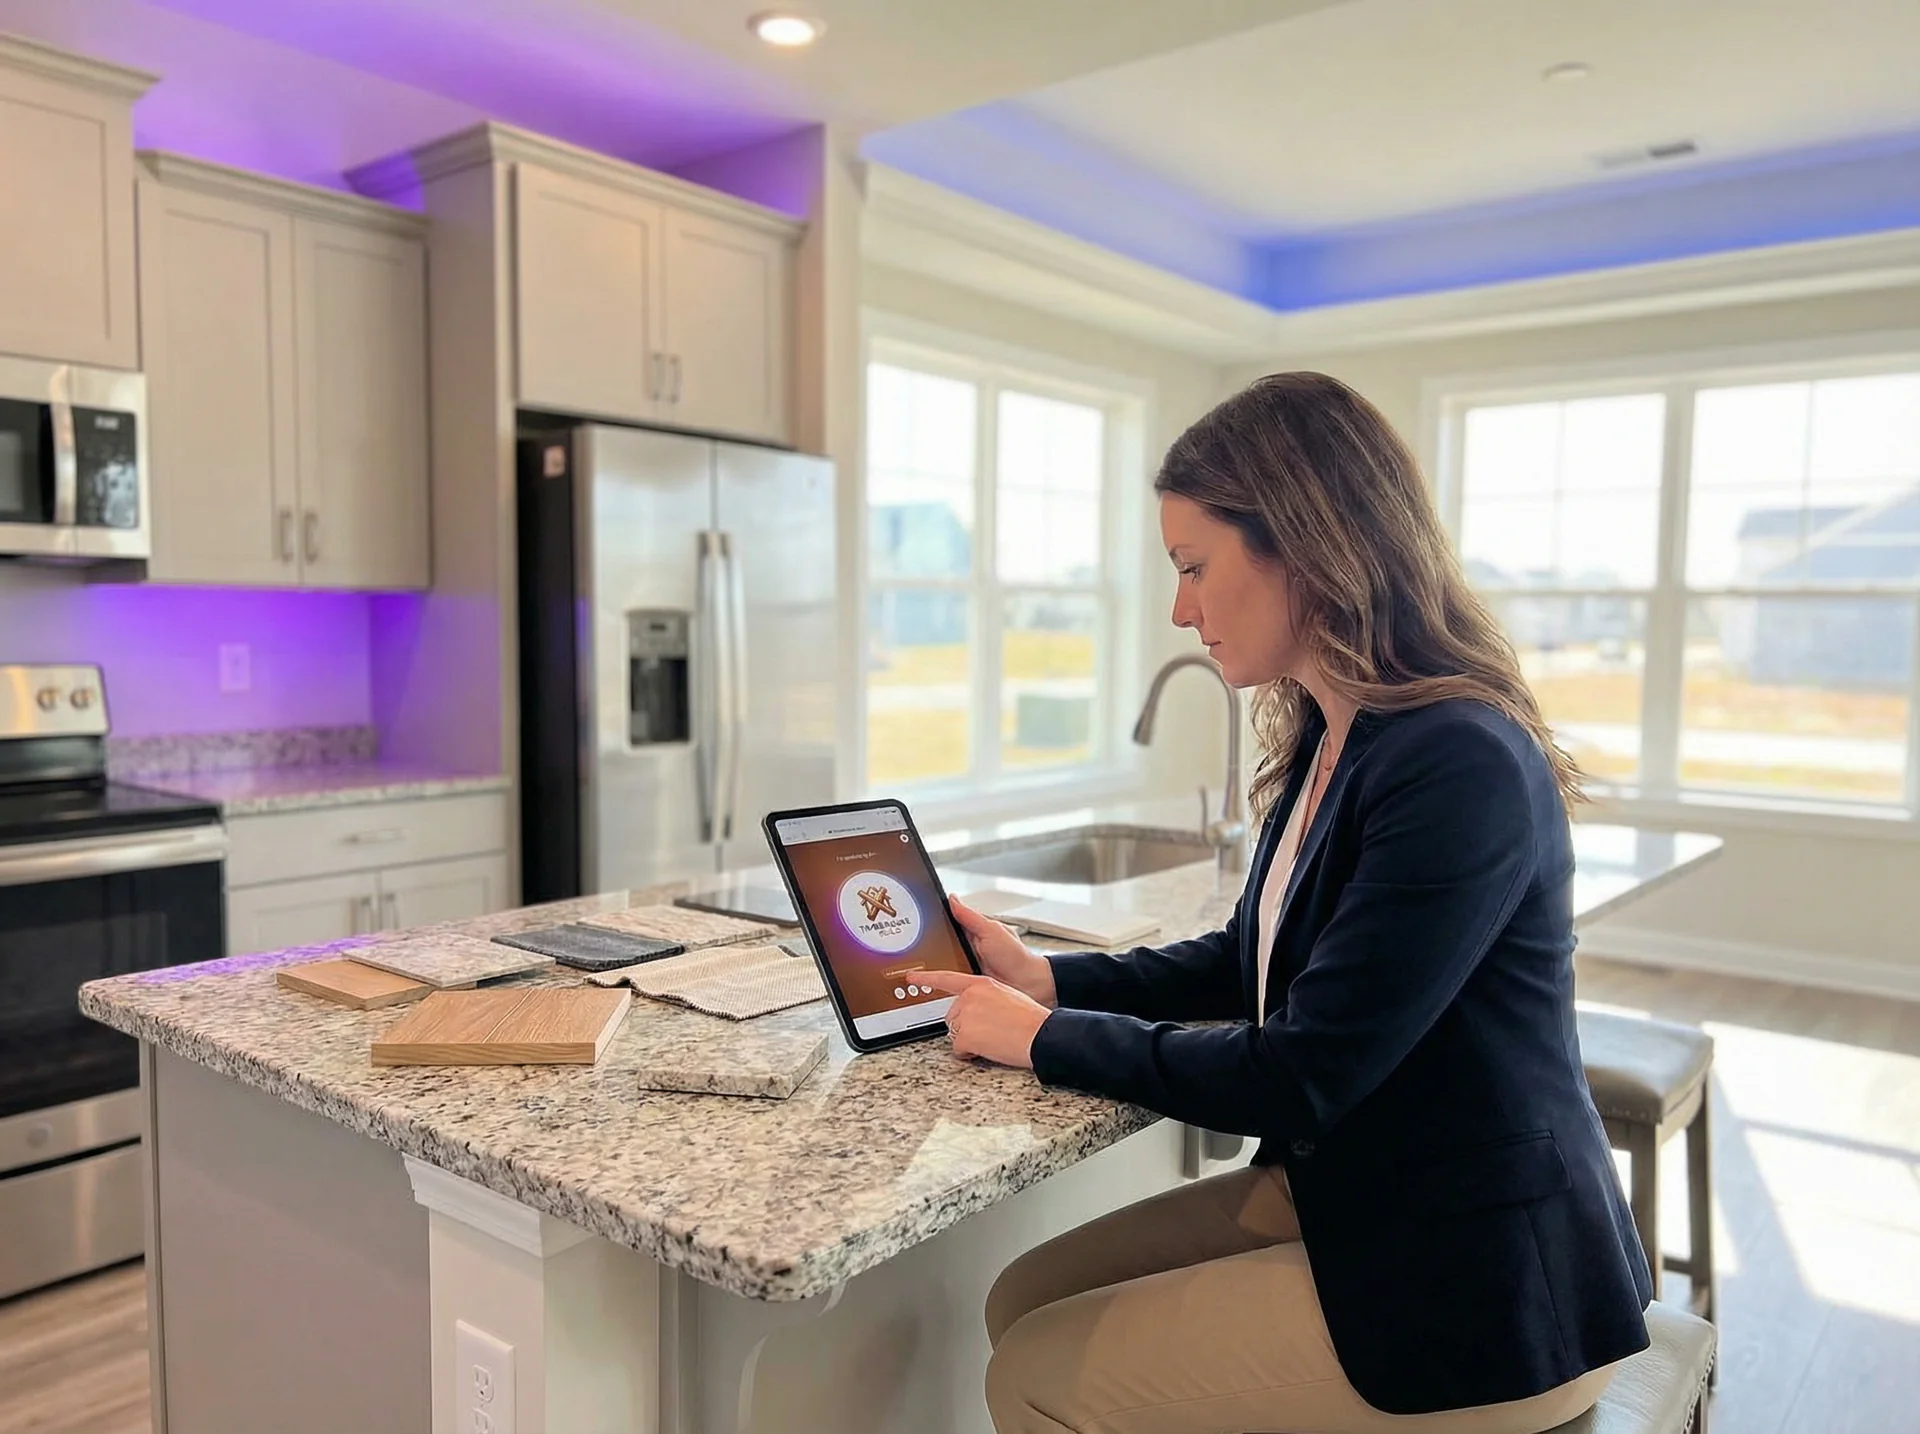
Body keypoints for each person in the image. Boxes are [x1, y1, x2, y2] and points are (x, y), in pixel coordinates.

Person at [917, 373, 1653, 1434]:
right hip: (1374, 1200)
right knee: (1015, 1300)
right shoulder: (1332, 734)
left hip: (1484, 1282)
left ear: (1303, 546)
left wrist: (1046, 1040)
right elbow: (1243, 963)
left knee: (1031, 1371)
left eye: (1194, 567)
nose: (1181, 608)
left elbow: (1304, 1071)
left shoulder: (1458, 762)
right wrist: (1048, 979)